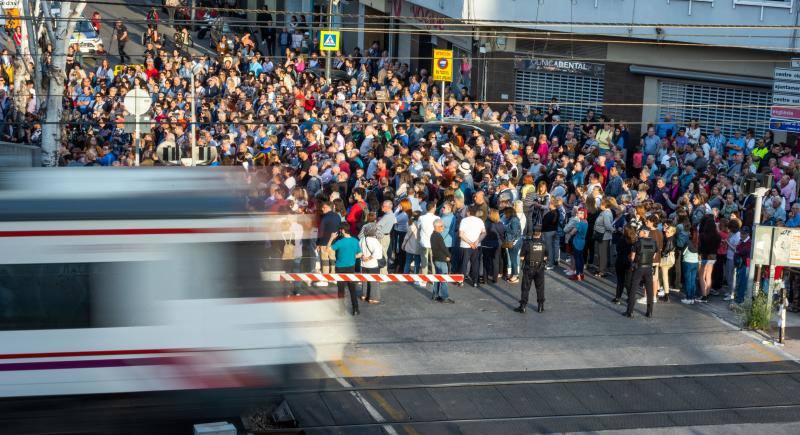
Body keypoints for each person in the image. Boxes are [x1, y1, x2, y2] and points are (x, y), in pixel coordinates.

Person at [328, 223, 362, 316]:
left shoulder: (340, 242)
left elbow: (328, 250)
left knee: (341, 290)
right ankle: (355, 309)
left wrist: (331, 238)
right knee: (352, 289)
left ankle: (342, 310)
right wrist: (352, 257)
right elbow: (360, 254)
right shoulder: (355, 241)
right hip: (351, 267)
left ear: (343, 230)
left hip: (340, 267)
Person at [626, 226, 657, 318]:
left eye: (640, 231)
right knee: (649, 290)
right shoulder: (654, 242)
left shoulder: (638, 243)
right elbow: (654, 256)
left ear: (644, 232)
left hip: (639, 267)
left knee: (633, 288)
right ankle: (649, 311)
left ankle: (630, 311)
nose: (639, 233)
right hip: (649, 267)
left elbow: (632, 257)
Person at [515, 225, 547, 313]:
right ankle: (540, 306)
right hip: (540, 268)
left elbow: (521, 257)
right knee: (540, 287)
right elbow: (545, 257)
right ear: (540, 233)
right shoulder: (544, 243)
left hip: (529, 268)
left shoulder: (527, 243)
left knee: (525, 287)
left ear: (533, 233)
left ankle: (523, 306)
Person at [459, 206, 486, 287]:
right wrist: (476, 242)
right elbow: (484, 233)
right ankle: (475, 282)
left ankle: (461, 281)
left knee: (464, 263)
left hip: (465, 245)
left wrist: (470, 243)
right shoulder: (480, 220)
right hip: (477, 246)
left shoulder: (464, 220)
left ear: (468, 212)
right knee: (475, 264)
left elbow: (461, 234)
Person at [359, 219, 383, 305]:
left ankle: (364, 295)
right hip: (372, 264)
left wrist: (363, 257)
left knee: (365, 280)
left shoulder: (362, 239)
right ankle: (373, 298)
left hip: (363, 263)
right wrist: (369, 258)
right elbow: (378, 254)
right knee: (374, 282)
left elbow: (359, 251)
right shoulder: (374, 241)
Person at [431, 219, 454, 303]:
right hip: (441, 259)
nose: (443, 227)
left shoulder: (433, 235)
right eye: (441, 226)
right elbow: (443, 248)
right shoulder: (438, 236)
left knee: (437, 278)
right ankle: (445, 297)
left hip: (436, 259)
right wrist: (449, 256)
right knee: (443, 278)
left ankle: (435, 295)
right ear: (436, 227)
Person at [613, 224, 637, 303]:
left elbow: (618, 249)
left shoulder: (621, 239)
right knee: (628, 281)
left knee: (620, 281)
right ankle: (630, 297)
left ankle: (618, 297)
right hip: (629, 262)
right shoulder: (634, 241)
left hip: (620, 261)